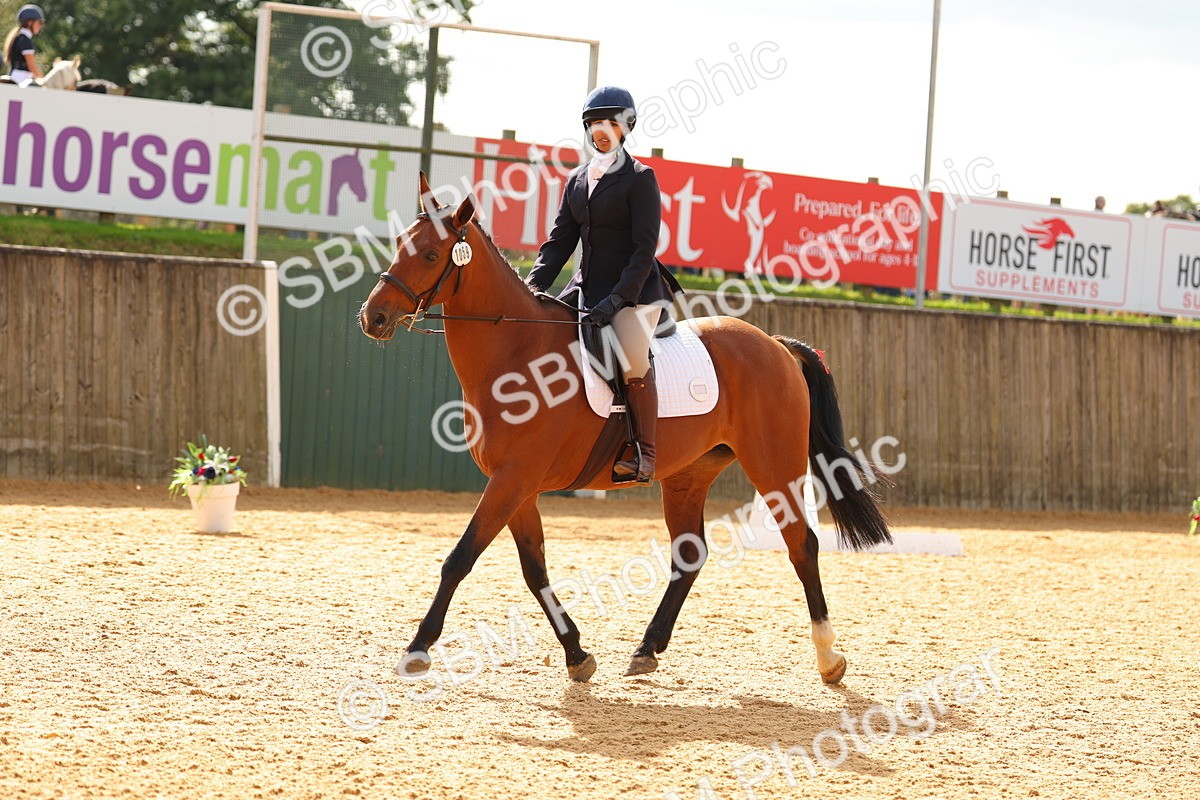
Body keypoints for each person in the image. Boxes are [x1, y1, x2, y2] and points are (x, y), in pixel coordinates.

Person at [526, 85, 682, 483]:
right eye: (595, 123)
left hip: (634, 292)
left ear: (625, 127)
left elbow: (644, 249)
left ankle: (644, 453)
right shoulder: (577, 180)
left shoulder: (640, 178)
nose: (601, 130)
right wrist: (532, 287)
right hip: (586, 289)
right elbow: (560, 242)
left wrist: (618, 299)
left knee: (630, 356)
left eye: (610, 123)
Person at [4, 5, 45, 85]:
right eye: (39, 22)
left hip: (16, 75)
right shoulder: (25, 41)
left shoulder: (19, 37)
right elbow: (31, 66)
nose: (40, 26)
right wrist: (43, 80)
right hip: (22, 78)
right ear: (30, 22)